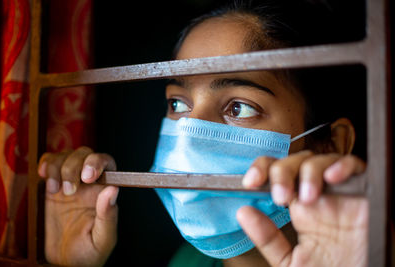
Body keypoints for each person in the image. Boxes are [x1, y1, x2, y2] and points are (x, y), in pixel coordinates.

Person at [37, 1, 369, 266]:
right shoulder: (187, 261)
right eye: (178, 104)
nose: (189, 135)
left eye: (238, 108)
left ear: (331, 144)